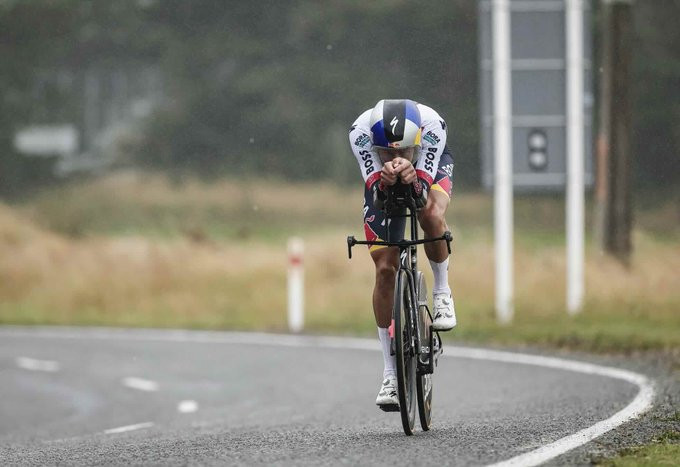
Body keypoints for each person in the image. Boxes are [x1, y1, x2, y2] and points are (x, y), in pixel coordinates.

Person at [348, 99, 457, 410]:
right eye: (387, 152)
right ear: (375, 145)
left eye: (402, 151)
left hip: (429, 167)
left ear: (417, 140)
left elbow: (421, 196)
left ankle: (442, 291)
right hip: (382, 183)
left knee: (431, 216)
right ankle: (391, 374)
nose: (395, 157)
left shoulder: (432, 127)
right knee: (385, 268)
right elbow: (378, 193)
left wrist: (415, 175)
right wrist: (387, 178)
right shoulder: (360, 133)